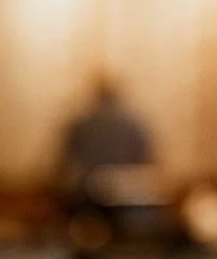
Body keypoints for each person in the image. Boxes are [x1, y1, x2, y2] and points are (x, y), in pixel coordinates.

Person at [59, 78, 155, 210]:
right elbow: (146, 159)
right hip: (126, 195)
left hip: (89, 193)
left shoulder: (82, 124)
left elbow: (66, 161)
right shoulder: (134, 125)